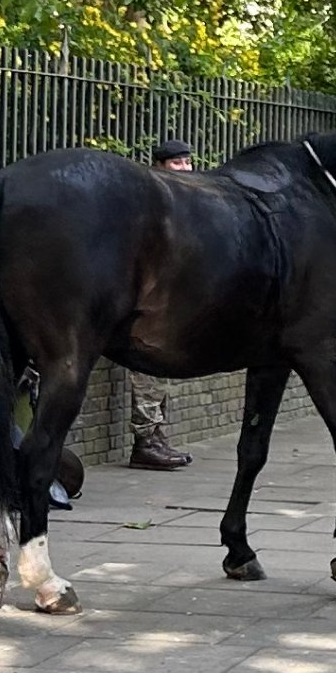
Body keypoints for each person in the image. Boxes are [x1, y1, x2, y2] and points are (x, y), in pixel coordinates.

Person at [127, 140, 195, 471]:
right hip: (142, 303)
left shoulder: (184, 201)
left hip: (166, 301)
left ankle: (156, 436)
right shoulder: (148, 202)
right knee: (147, 369)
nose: (185, 169)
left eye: (187, 163)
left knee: (159, 373)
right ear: (159, 165)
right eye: (177, 163)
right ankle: (145, 441)